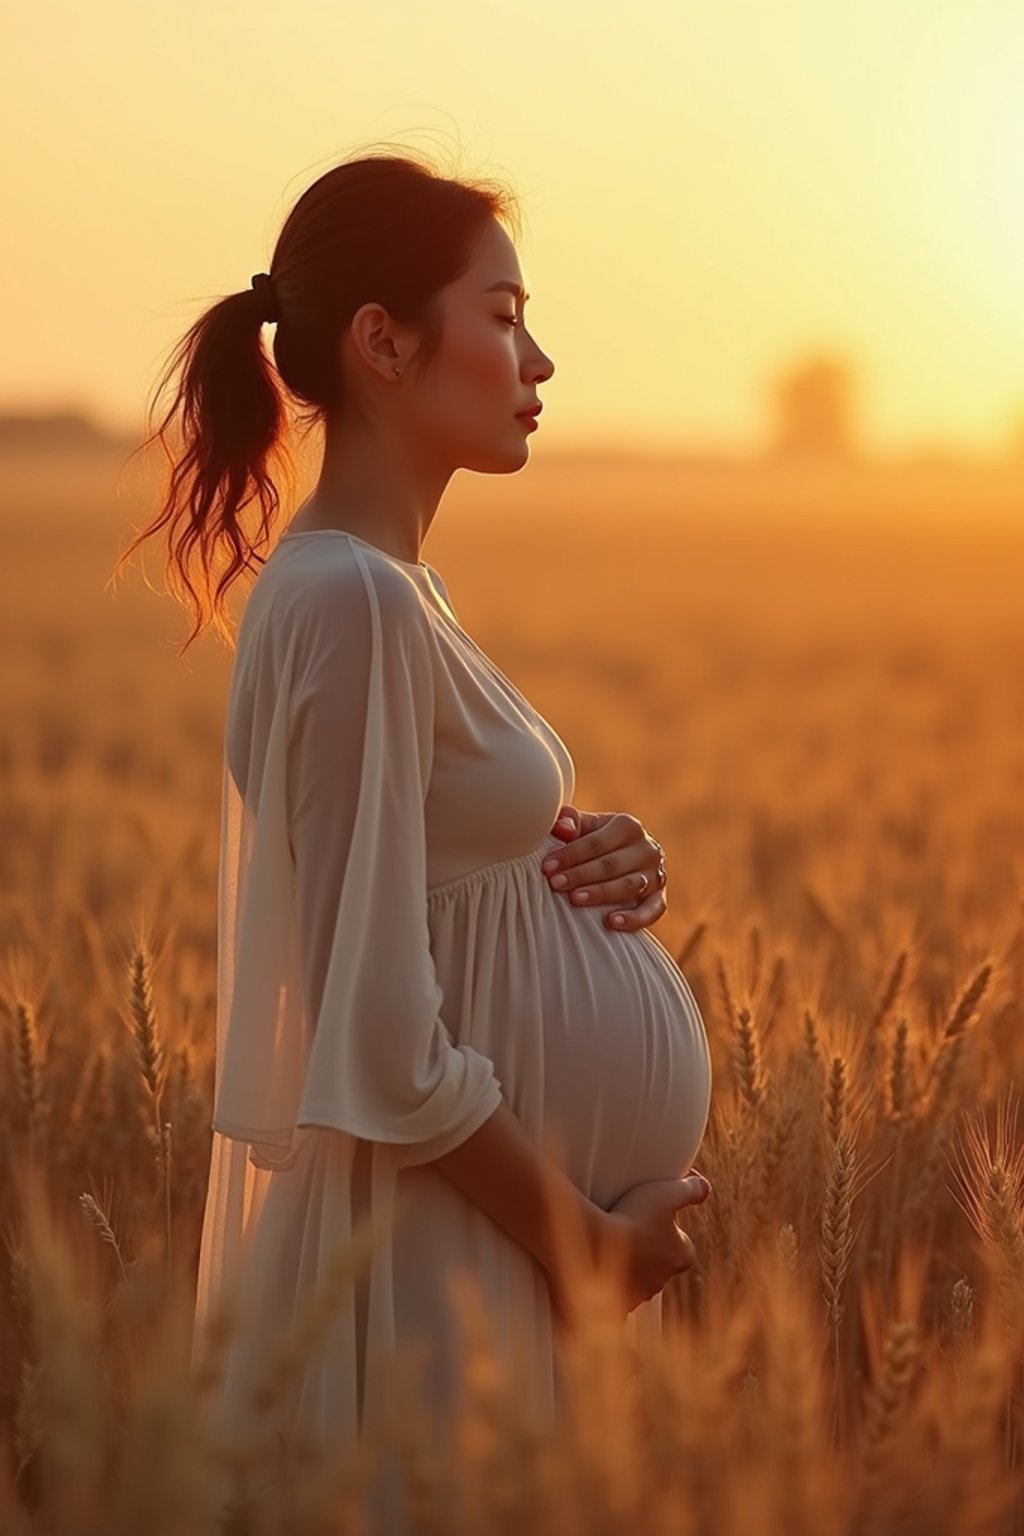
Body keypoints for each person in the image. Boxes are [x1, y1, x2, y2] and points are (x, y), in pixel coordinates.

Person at [116, 146, 713, 1532]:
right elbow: (375, 1030)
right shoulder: (350, 603)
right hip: (448, 1270)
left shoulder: (393, 592)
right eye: (502, 316)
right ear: (384, 341)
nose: (540, 359)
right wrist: (580, 1254)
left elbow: (434, 879)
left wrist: (591, 861)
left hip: (476, 1248)